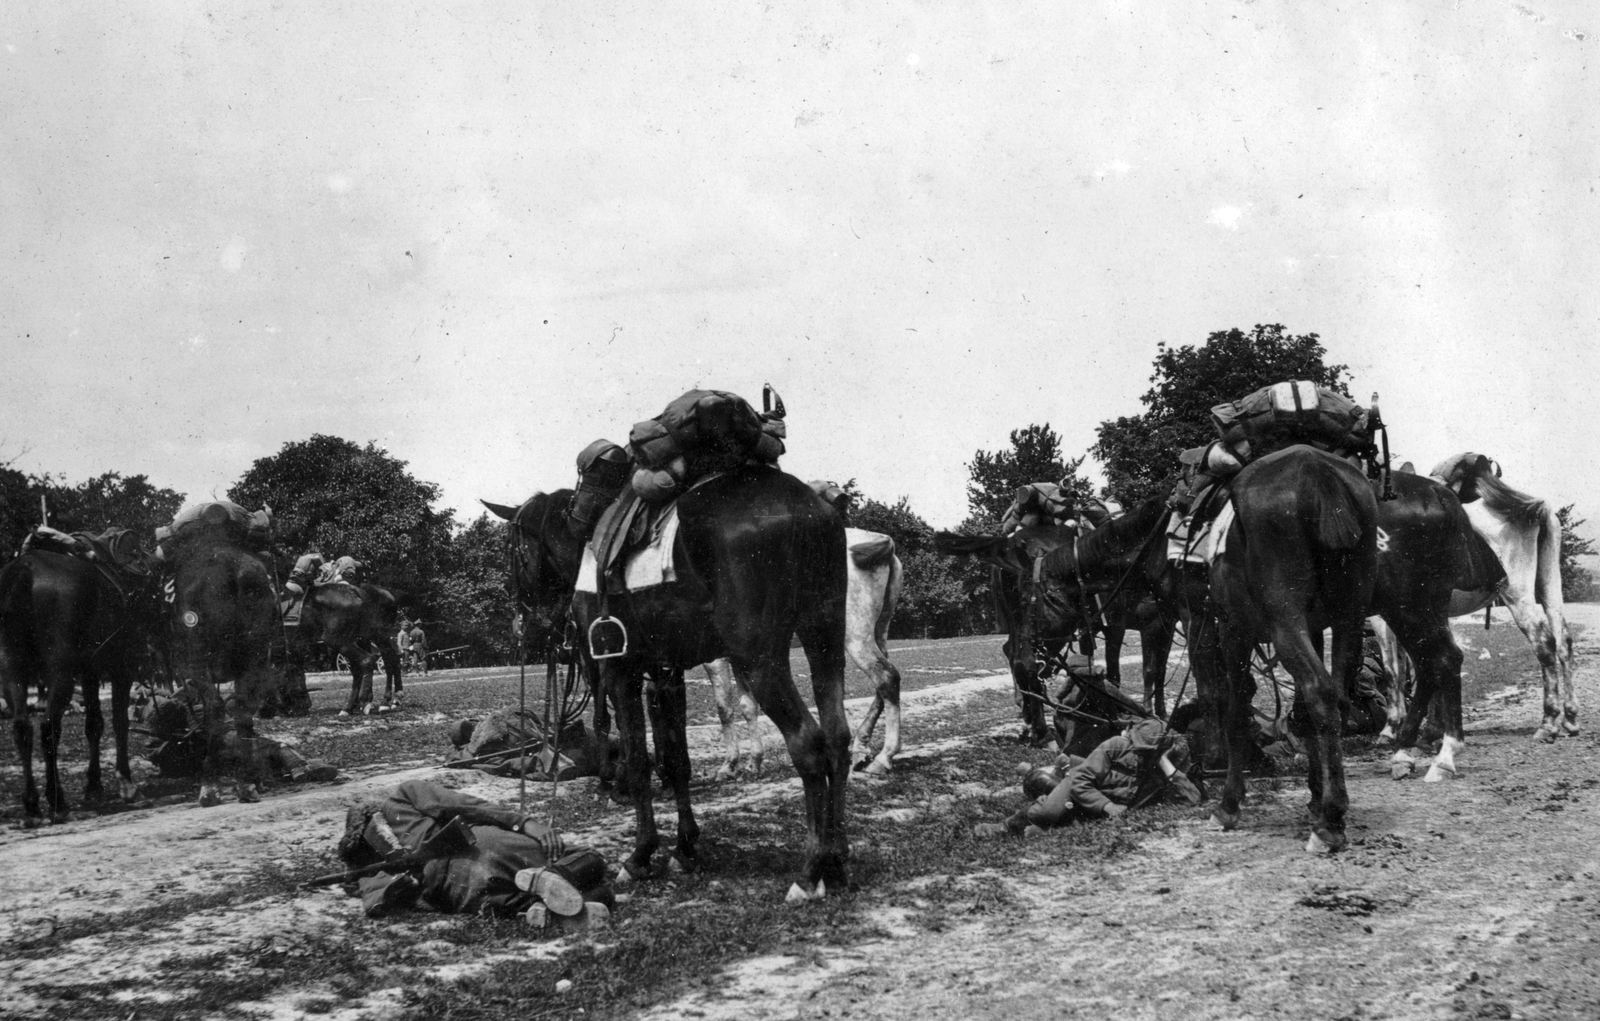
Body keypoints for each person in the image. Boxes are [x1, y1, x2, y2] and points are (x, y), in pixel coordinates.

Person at [337, 778, 612, 928]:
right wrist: (525, 822)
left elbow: (380, 900)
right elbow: (465, 806)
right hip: (479, 847)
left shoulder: (370, 870)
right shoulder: (402, 795)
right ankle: (551, 876)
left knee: (507, 901)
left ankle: (537, 909)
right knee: (590, 860)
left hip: (457, 890)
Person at [975, 718, 1202, 838]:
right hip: (1081, 788)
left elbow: (1192, 799)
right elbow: (1082, 781)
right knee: (1048, 812)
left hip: (1098, 806)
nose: (1137, 753)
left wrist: (1164, 763)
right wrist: (1108, 805)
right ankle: (1004, 826)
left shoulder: (1164, 768)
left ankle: (1047, 827)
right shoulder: (1116, 746)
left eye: (1145, 751)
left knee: (1079, 820)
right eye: (1136, 746)